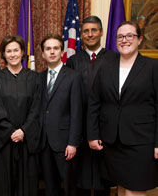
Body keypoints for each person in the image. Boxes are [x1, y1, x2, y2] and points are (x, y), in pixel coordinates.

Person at [87, 21, 158, 196]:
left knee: (135, 189)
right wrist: (93, 134)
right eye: (120, 36)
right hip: (112, 141)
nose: (124, 40)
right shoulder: (105, 66)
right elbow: (94, 102)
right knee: (121, 187)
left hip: (142, 141)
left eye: (129, 36)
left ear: (139, 39)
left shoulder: (153, 67)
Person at [66, 16, 117, 196]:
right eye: (86, 31)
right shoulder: (73, 61)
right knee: (80, 177)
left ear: (101, 32)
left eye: (94, 30)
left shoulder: (114, 59)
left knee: (104, 178)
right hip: (80, 126)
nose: (90, 34)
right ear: (82, 35)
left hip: (105, 126)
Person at [0, 35, 41, 196]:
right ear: (3, 54)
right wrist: (11, 131)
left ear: (22, 52)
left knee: (27, 187)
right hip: (2, 142)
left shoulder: (34, 78)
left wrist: (23, 131)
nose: (13, 54)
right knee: (2, 187)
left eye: (16, 50)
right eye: (8, 51)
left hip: (26, 141)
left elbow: (36, 109)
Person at [40, 34, 83, 196]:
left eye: (56, 48)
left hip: (65, 143)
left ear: (62, 52)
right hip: (44, 143)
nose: (52, 52)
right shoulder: (39, 77)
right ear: (43, 53)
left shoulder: (73, 77)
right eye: (48, 49)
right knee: (49, 187)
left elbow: (77, 112)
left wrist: (73, 143)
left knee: (69, 187)